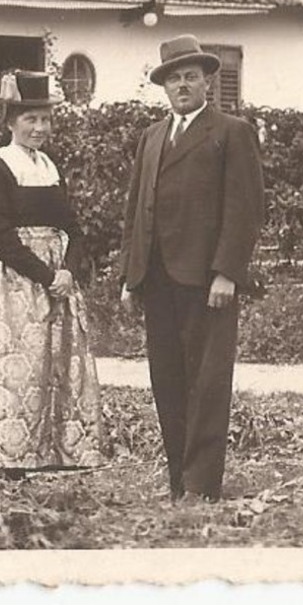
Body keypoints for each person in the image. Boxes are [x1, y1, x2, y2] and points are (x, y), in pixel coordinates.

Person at [0, 70, 106, 473]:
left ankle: (54, 450)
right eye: (30, 119)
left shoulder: (50, 168)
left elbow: (75, 229)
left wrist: (67, 271)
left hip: (57, 285)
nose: (39, 128)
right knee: (11, 366)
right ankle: (3, 453)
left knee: (52, 368)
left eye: (45, 119)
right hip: (10, 282)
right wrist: (45, 276)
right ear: (10, 122)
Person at [118, 34, 265, 501]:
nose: (182, 86)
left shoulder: (230, 131)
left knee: (207, 380)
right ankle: (178, 481)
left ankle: (202, 486)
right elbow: (135, 207)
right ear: (164, 87)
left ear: (207, 82)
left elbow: (245, 208)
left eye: (190, 77)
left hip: (206, 280)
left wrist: (227, 271)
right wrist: (131, 274)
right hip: (157, 277)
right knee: (168, 380)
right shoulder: (152, 136)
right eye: (173, 79)